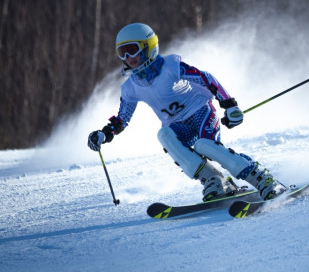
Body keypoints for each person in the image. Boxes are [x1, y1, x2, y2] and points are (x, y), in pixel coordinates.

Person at [87, 23, 285, 201]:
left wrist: (229, 104)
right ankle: (214, 180)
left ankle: (262, 178)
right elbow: (122, 118)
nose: (128, 58)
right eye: (122, 53)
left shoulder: (170, 67)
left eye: (132, 50)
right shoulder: (130, 87)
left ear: (149, 46)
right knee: (164, 134)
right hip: (177, 126)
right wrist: (104, 134)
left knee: (205, 146)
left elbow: (206, 78)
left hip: (200, 112)